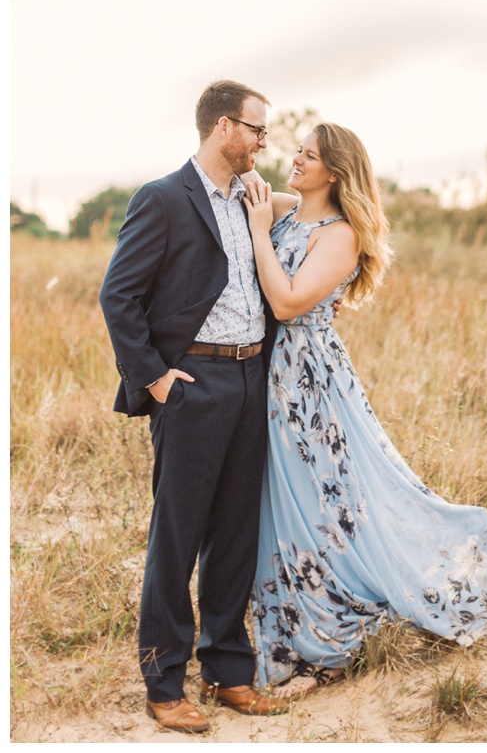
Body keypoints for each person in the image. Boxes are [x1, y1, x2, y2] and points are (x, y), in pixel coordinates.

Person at [242, 123, 487, 701]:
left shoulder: (339, 234)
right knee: (281, 502)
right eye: (296, 149)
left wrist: (257, 234)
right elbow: (246, 184)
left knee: (323, 501)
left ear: (336, 172)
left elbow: (288, 302)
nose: (295, 159)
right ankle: (291, 619)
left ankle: (330, 637)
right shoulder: (292, 211)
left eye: (309, 155)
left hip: (308, 382)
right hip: (270, 376)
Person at [99, 80, 292, 733]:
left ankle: (228, 671)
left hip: (249, 380)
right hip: (192, 384)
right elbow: (117, 296)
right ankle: (164, 682)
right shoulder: (162, 199)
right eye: (258, 130)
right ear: (223, 129)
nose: (265, 142)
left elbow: (318, 206)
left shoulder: (254, 198)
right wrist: (154, 379)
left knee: (236, 532)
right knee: (177, 538)